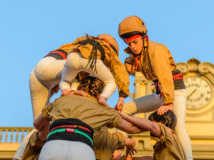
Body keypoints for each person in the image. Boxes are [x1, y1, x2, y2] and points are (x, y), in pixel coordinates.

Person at [14, 33, 129, 160]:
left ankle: (18, 157)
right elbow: (121, 74)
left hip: (41, 70)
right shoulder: (105, 51)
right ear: (111, 46)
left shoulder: (81, 43)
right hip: (61, 69)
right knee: (74, 104)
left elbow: (64, 67)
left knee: (41, 128)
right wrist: (122, 96)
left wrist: (55, 86)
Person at [118, 16, 193, 160]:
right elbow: (123, 72)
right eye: (129, 43)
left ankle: (188, 158)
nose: (132, 46)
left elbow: (165, 76)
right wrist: (121, 97)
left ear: (143, 37)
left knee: (178, 127)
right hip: (160, 94)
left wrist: (169, 103)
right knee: (124, 109)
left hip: (174, 91)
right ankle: (118, 147)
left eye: (135, 42)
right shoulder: (136, 56)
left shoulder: (156, 50)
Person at [24, 76, 143, 160]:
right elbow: (132, 129)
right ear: (99, 94)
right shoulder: (104, 111)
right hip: (82, 148)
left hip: (53, 144)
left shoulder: (61, 100)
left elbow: (38, 125)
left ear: (79, 88)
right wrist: (156, 127)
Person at [59, 34, 130, 108]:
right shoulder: (110, 50)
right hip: (91, 60)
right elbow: (121, 73)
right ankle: (102, 99)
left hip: (72, 57)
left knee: (66, 81)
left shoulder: (84, 40)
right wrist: (122, 97)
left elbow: (65, 47)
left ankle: (66, 91)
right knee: (111, 83)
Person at [118, 111, 186, 160]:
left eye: (151, 121)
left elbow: (152, 126)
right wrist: (132, 158)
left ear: (161, 123)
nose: (147, 129)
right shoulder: (166, 143)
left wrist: (125, 116)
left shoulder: (169, 135)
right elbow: (151, 158)